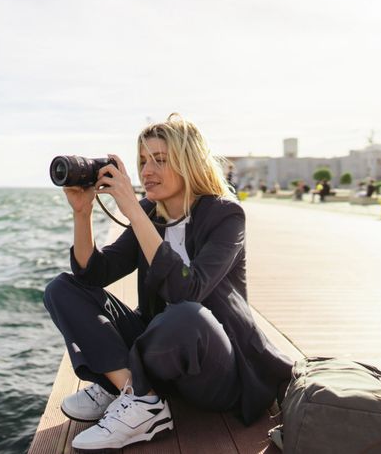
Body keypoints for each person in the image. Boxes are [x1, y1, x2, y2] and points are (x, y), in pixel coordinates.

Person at [43, 114, 293, 451]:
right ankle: (139, 396)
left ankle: (126, 389)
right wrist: (82, 213)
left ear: (189, 162)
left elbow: (186, 290)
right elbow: (94, 274)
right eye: (143, 161)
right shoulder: (149, 211)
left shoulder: (225, 215)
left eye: (160, 160)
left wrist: (132, 208)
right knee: (63, 287)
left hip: (218, 367)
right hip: (164, 359)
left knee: (187, 314)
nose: (146, 171)